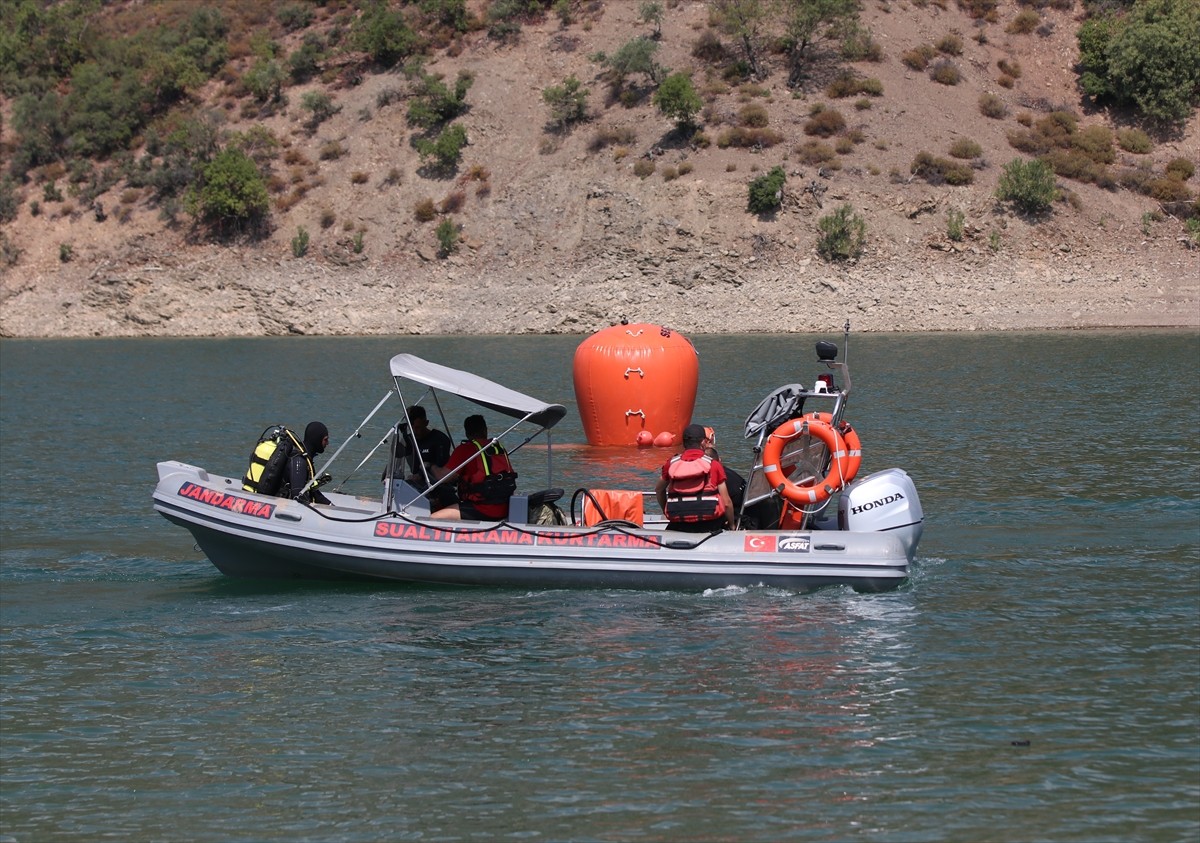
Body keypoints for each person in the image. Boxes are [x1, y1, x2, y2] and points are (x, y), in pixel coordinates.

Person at [430, 415, 517, 521]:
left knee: (433, 518)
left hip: (482, 509)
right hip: (505, 507)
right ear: (485, 430)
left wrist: (430, 466)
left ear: (467, 433)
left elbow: (442, 477)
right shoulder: (498, 448)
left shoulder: (466, 449)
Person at [656, 423, 736, 533]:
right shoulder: (714, 465)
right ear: (703, 442)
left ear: (684, 443)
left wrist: (666, 510)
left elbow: (659, 490)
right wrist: (732, 525)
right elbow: (727, 502)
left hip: (679, 523)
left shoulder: (671, 463)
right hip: (709, 524)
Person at [402, 405, 456, 509]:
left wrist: (423, 473)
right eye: (411, 427)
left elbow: (441, 470)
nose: (414, 431)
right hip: (417, 484)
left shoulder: (439, 439)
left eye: (417, 427)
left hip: (439, 485)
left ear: (426, 423)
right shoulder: (408, 440)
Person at [285, 421, 331, 504]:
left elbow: (313, 492)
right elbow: (298, 496)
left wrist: (331, 506)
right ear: (317, 439)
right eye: (325, 439)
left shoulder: (306, 458)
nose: (327, 443)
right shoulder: (299, 461)